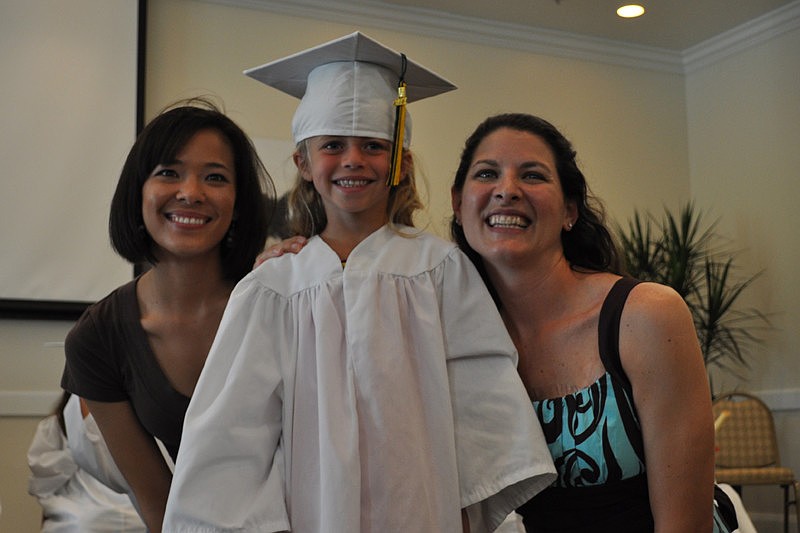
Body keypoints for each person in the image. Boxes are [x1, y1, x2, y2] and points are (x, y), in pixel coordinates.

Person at [164, 32, 555, 533]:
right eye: (332, 145)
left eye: (374, 145)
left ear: (400, 163)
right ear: (303, 163)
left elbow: (482, 400)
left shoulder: (439, 270)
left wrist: (472, 507)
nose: (353, 159)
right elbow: (233, 435)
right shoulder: (273, 291)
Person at [449, 113, 739, 532]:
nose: (507, 190)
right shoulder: (455, 337)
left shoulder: (644, 317)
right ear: (459, 204)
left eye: (532, 175)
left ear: (570, 210)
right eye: (487, 173)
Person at [60, 98, 273, 532]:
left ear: (239, 202)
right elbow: (158, 503)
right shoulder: (99, 339)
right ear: (138, 191)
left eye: (215, 177)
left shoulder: (278, 303)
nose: (191, 192)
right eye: (168, 173)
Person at [27, 392, 146, 532]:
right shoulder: (56, 424)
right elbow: (41, 482)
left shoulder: (131, 421)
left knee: (139, 520)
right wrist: (76, 451)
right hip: (80, 497)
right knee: (85, 523)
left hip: (126, 495)